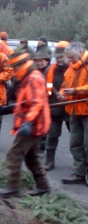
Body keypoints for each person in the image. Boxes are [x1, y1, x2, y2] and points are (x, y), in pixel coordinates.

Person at [0, 51, 51, 197]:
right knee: (31, 156)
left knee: (15, 153)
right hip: (35, 124)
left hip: (34, 125)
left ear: (21, 65)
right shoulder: (28, 77)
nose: (13, 70)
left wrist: (28, 121)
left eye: (14, 66)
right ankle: (43, 187)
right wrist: (10, 108)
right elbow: (28, 101)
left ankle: (12, 187)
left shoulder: (33, 78)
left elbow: (37, 103)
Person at [58, 42, 88, 185]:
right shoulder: (70, 69)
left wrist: (76, 91)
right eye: (69, 58)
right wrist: (61, 94)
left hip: (87, 111)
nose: (70, 61)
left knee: (87, 144)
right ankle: (78, 173)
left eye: (72, 57)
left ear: (81, 52)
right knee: (75, 144)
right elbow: (65, 86)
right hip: (74, 110)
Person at [43, 41, 70, 171]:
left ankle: (81, 166)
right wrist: (55, 93)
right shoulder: (50, 70)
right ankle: (49, 161)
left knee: (80, 140)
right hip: (54, 107)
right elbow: (46, 85)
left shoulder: (77, 69)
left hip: (72, 109)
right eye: (57, 57)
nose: (59, 59)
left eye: (61, 57)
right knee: (52, 135)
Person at [32, 50, 52, 154]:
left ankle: (42, 148)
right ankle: (38, 148)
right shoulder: (36, 71)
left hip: (48, 103)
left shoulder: (50, 71)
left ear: (47, 61)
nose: (39, 63)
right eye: (37, 61)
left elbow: (50, 88)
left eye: (41, 61)